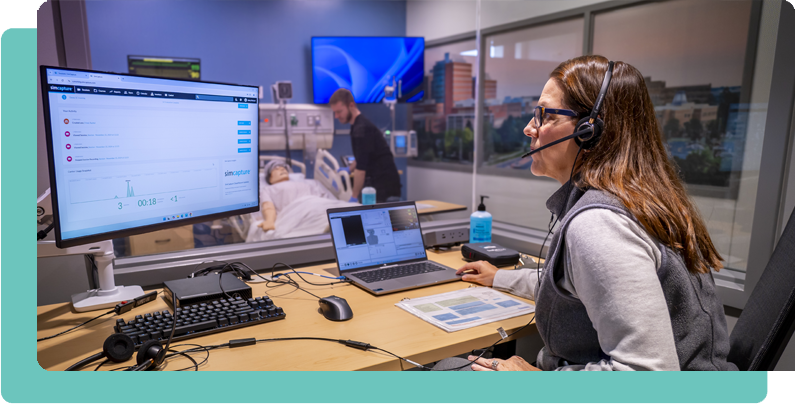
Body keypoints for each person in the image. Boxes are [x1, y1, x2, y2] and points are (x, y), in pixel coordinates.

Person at [456, 55, 737, 371]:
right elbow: (587, 291)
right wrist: (501, 278)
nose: (528, 128)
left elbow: (646, 375)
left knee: (449, 369)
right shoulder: (642, 200)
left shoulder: (599, 224)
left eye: (544, 115)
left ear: (589, 130)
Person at [329, 88, 401, 202]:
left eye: (339, 111)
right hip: (380, 183)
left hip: (384, 186)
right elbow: (362, 155)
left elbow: (361, 170)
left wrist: (354, 197)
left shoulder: (361, 129)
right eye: (334, 112)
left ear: (351, 105)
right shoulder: (357, 125)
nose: (336, 116)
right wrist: (348, 169)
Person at [257, 160, 340, 232]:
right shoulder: (268, 189)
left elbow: (322, 199)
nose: (282, 169)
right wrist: (269, 221)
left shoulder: (306, 183)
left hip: (316, 205)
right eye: (276, 169)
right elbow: (268, 206)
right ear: (270, 178)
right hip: (296, 211)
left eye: (284, 168)